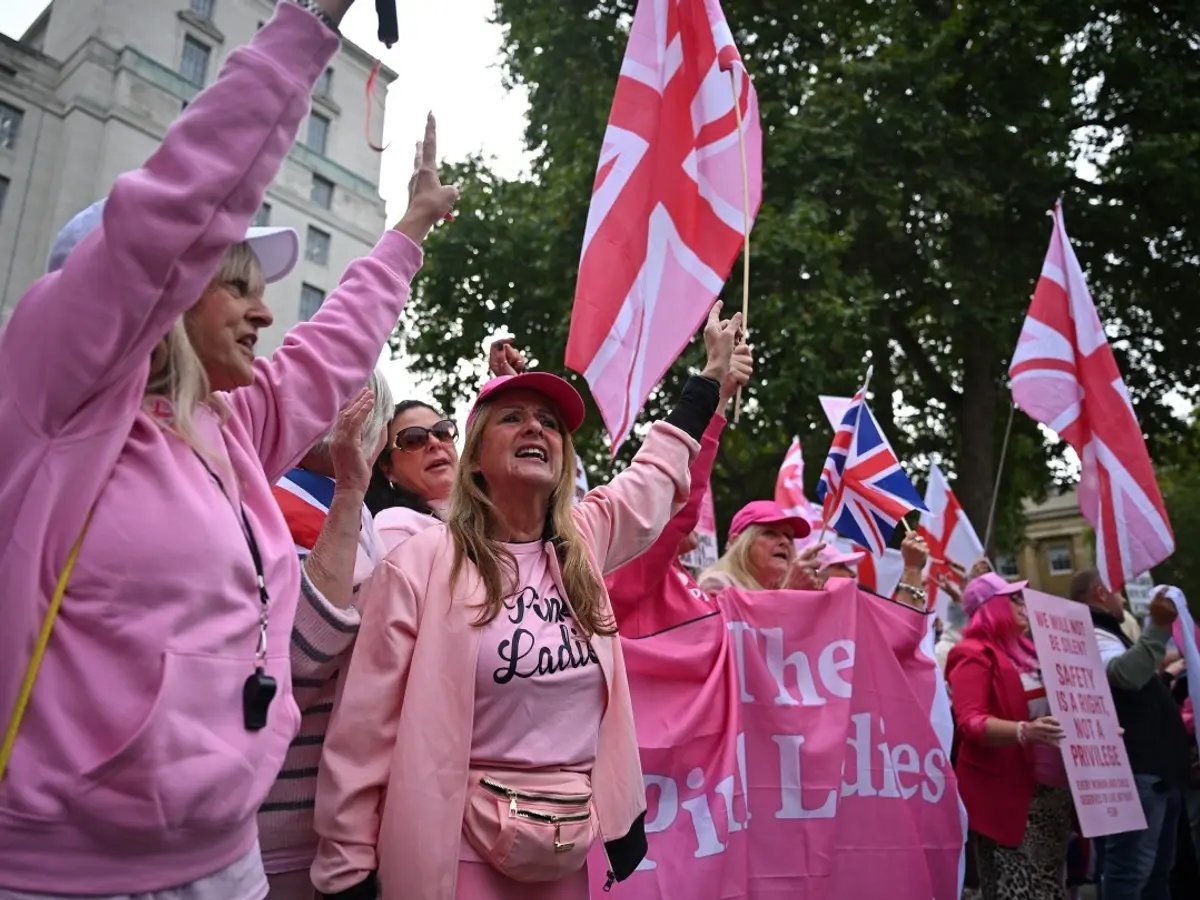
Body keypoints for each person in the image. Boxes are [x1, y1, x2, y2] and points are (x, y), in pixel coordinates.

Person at [0, 2, 459, 895]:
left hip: (226, 863)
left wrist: (407, 234)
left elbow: (330, 348)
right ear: (157, 293)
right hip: (67, 875)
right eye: (235, 285)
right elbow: (175, 215)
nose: (263, 311)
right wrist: (307, 30)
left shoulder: (229, 429)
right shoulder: (56, 405)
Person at [310, 304, 742, 899]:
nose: (535, 429)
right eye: (512, 418)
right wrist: (346, 870)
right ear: (475, 460)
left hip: (566, 855)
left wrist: (710, 378)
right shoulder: (418, 562)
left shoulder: (582, 545)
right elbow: (363, 731)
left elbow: (654, 475)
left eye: (549, 423)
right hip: (453, 857)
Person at [260, 386, 391, 898]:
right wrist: (351, 492)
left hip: (344, 824)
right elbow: (295, 658)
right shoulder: (263, 504)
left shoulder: (362, 519)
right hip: (276, 828)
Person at [605, 342, 753, 637]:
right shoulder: (633, 572)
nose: (784, 544)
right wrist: (716, 393)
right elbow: (676, 505)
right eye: (771, 533)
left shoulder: (675, 573)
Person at [946, 573, 1071, 900]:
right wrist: (1023, 731)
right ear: (991, 608)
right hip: (1010, 797)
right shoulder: (972, 654)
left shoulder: (1033, 653)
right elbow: (970, 723)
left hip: (1050, 795)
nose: (1023, 605)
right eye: (1013, 599)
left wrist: (1093, 728)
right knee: (1018, 890)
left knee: (1050, 886)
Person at [1070, 570, 1190, 900]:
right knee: (1132, 872)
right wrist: (1158, 626)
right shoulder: (1089, 633)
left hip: (1157, 771)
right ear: (1100, 593)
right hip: (1139, 772)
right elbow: (1126, 674)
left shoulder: (1108, 631)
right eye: (1118, 592)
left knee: (1157, 873)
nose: (1122, 599)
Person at [367, 341, 526, 554]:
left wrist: (513, 391)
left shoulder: (504, 513)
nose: (434, 443)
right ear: (388, 468)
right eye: (413, 439)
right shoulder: (395, 525)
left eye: (442, 432)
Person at [698, 501, 820, 594]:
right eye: (770, 533)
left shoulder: (781, 589)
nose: (785, 541)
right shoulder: (717, 584)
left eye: (788, 536)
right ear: (736, 542)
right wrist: (790, 594)